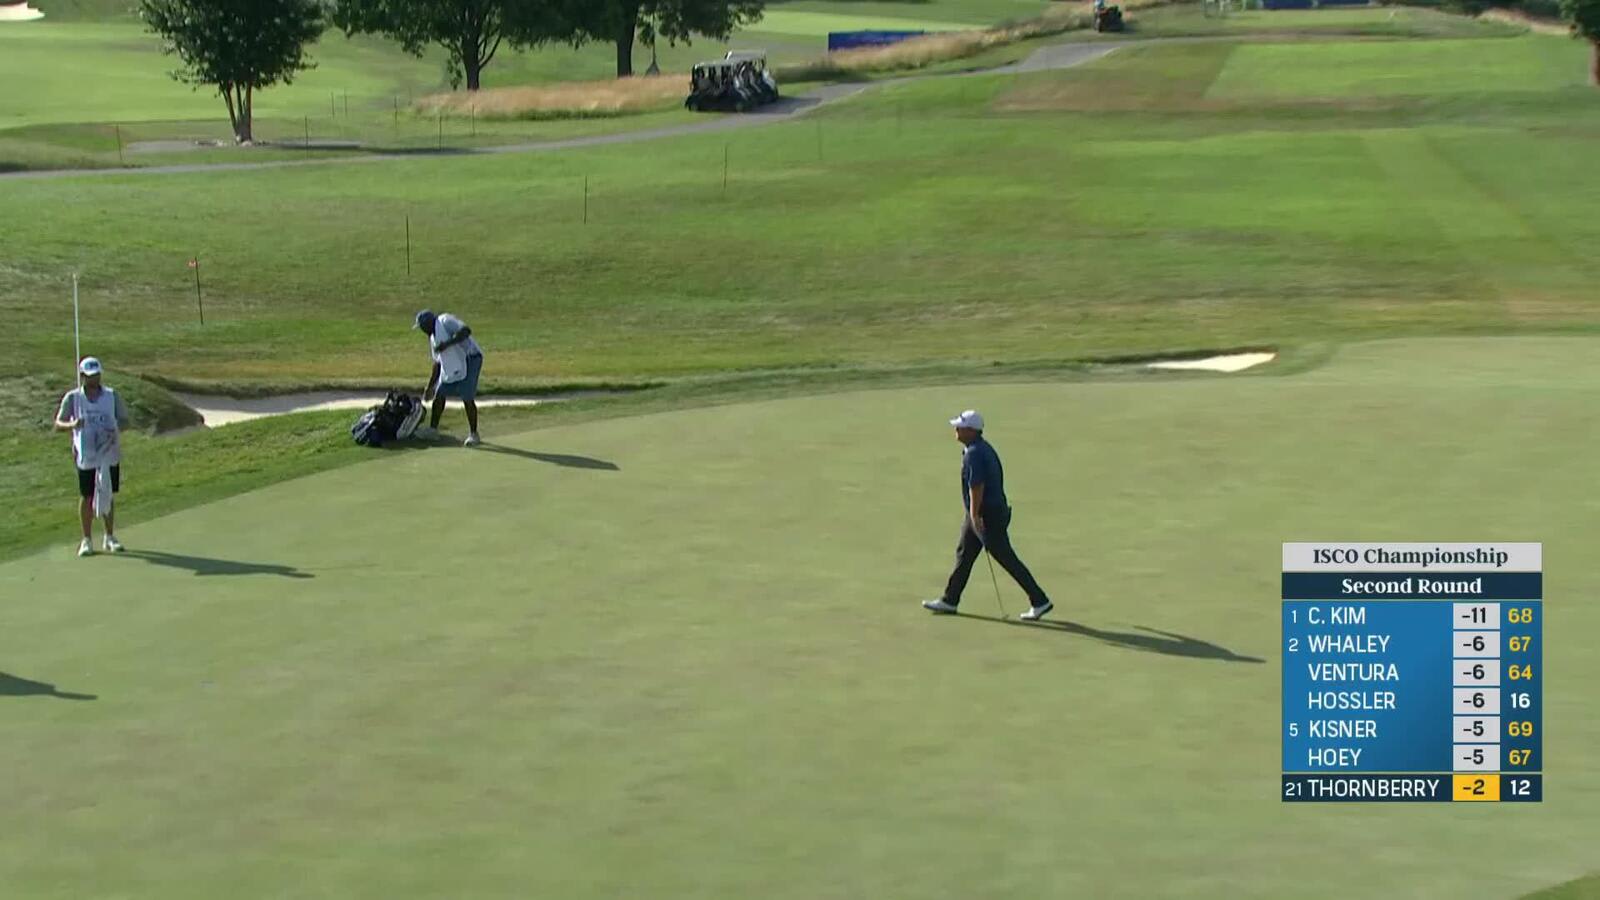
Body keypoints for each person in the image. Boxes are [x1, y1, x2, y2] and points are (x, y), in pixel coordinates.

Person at [923, 410, 1055, 621]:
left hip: (987, 515)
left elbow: (977, 487)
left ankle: (1040, 600)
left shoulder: (975, 453)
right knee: (964, 554)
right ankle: (950, 600)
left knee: (1005, 557)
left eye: (960, 426)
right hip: (981, 513)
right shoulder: (977, 448)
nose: (956, 429)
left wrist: (974, 516)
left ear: (971, 431)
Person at [54, 356, 130, 557]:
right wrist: (72, 425)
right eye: (90, 376)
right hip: (86, 454)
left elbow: (124, 421)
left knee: (107, 492)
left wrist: (114, 430)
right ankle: (86, 540)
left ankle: (109, 537)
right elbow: (58, 424)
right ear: (82, 376)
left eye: (96, 375)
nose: (94, 379)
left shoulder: (112, 396)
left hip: (108, 452)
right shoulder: (73, 398)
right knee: (87, 496)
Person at [413, 309, 483, 447]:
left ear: (427, 324)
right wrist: (430, 386)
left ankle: (474, 434)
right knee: (440, 393)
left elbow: (465, 331)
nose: (422, 330)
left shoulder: (445, 321)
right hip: (452, 363)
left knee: (467, 395)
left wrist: (447, 344)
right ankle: (433, 430)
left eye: (422, 327)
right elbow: (437, 363)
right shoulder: (433, 338)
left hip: (471, 358)